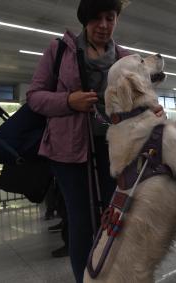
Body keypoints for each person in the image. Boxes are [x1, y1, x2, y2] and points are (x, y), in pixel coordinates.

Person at [26, 1, 130, 281]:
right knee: (82, 224)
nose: (104, 25)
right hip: (69, 152)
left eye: (110, 18)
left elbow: (134, 101)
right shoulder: (60, 51)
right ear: (85, 20)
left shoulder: (124, 57)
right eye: (97, 19)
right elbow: (34, 96)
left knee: (114, 222)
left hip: (113, 150)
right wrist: (69, 101)